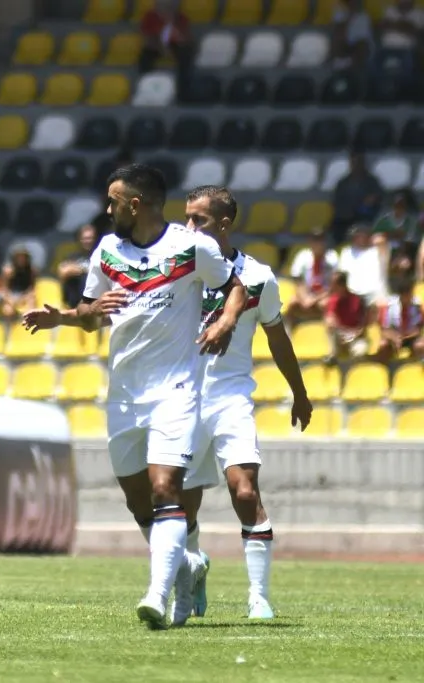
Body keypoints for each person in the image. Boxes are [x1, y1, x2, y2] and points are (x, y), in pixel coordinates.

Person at [22, 164, 247, 630]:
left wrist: (224, 323)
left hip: (176, 391)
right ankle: (185, 565)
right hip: (124, 393)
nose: (107, 209)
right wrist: (69, 316)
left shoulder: (191, 248)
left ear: (135, 204)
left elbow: (235, 288)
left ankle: (157, 594)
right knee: (138, 503)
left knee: (167, 489)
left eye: (113, 201)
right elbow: (92, 314)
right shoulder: (107, 251)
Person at [177, 186, 313, 625]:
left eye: (198, 219)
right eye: (186, 218)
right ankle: (194, 564)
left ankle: (258, 597)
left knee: (244, 489)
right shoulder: (177, 270)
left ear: (224, 224)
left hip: (232, 395)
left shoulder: (258, 277)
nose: (189, 227)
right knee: (183, 504)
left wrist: (300, 392)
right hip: (184, 399)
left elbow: (277, 337)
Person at [286, 228, 340, 325]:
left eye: (320, 240)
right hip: (307, 292)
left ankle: (328, 333)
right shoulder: (302, 255)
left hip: (325, 294)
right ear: (310, 241)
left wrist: (316, 298)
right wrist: (305, 297)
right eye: (315, 240)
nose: (317, 243)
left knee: (326, 304)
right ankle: (288, 332)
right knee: (292, 303)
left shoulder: (332, 257)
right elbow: (298, 281)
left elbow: (334, 284)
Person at [375, 277, 424, 362]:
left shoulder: (417, 306)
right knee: (383, 345)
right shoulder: (389, 305)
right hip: (393, 336)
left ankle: (414, 367)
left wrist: (405, 336)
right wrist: (394, 337)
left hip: (410, 337)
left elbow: (418, 329)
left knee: (420, 345)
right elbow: (384, 330)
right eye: (405, 294)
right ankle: (386, 371)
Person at [324, 270, 370, 361]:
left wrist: (352, 336)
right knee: (331, 329)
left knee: (360, 351)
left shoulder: (357, 300)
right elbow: (330, 319)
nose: (331, 287)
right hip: (340, 337)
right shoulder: (333, 300)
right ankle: (332, 357)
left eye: (334, 284)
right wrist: (341, 333)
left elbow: (363, 326)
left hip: (354, 337)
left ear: (342, 285)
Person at [58, 224, 99, 308]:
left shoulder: (99, 255)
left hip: (95, 303)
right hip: (75, 304)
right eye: (85, 238)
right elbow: (63, 272)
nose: (88, 241)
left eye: (91, 238)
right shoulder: (72, 256)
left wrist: (76, 269)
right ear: (79, 239)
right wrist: (85, 269)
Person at [2, 245, 38, 318]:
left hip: (25, 295)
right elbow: (4, 289)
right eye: (19, 257)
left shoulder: (32, 271)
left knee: (31, 305)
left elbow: (32, 288)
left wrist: (24, 298)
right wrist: (10, 300)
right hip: (11, 296)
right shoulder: (8, 271)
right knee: (8, 311)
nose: (21, 259)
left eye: (23, 257)